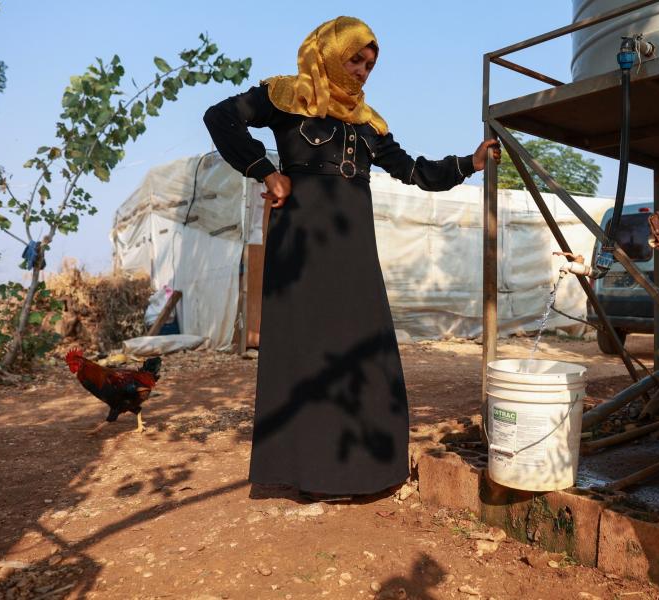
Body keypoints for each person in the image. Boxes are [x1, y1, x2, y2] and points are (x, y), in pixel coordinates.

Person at [204, 16, 500, 499]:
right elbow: (220, 117)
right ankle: (305, 473)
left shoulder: (367, 122)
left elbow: (412, 170)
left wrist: (468, 163)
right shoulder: (285, 95)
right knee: (305, 349)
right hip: (300, 239)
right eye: (355, 59)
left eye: (369, 64)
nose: (363, 70)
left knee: (365, 347)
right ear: (329, 52)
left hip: (353, 243)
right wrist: (264, 171)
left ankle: (362, 470)